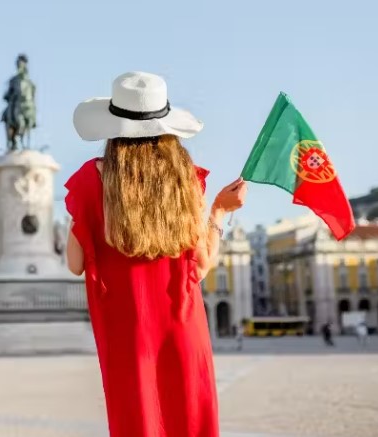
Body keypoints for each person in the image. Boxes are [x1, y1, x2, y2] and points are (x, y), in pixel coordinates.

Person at [65, 72, 247, 437]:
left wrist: (83, 215)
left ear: (114, 129)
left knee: (138, 420)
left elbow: (75, 264)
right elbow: (201, 263)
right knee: (189, 420)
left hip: (127, 331)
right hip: (183, 324)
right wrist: (219, 213)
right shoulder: (186, 179)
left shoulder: (89, 180)